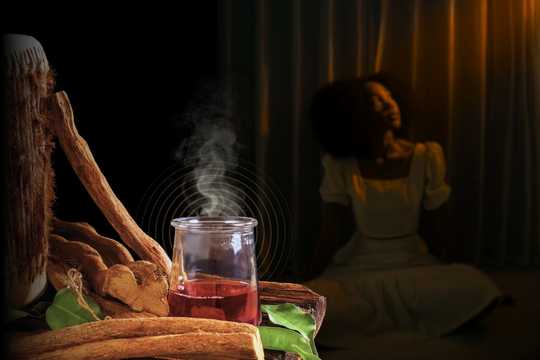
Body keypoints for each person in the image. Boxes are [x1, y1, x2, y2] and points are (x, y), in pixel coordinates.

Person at [304, 74, 502, 345]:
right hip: (359, 264)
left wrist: (457, 267)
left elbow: (440, 224)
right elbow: (332, 230)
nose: (390, 105)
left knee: (475, 285)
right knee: (310, 306)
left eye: (390, 98)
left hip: (413, 260)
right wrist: (308, 278)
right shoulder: (341, 165)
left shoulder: (427, 155)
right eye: (377, 100)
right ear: (356, 112)